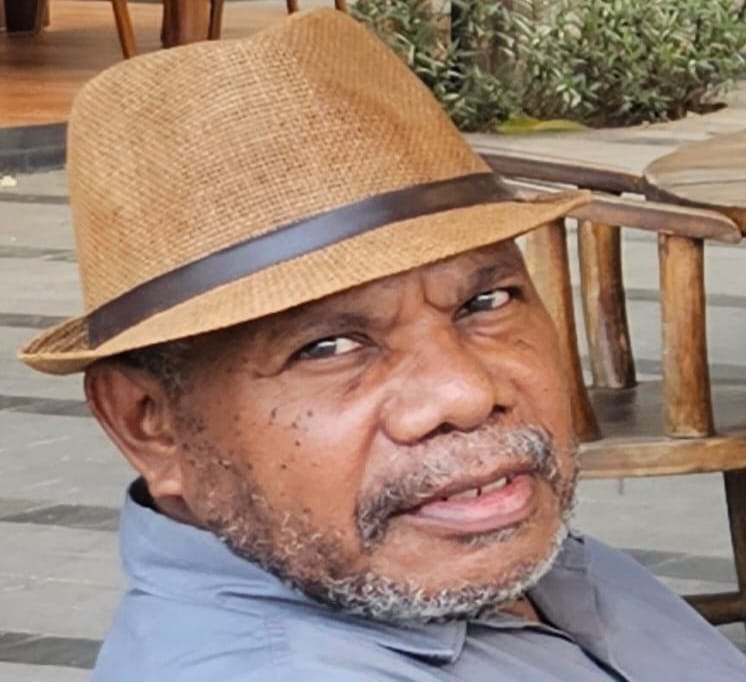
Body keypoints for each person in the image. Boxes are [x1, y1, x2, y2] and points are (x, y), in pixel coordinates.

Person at [20, 8, 746, 681]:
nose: (466, 393)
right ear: (150, 425)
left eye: (485, 302)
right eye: (329, 347)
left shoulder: (467, 556)